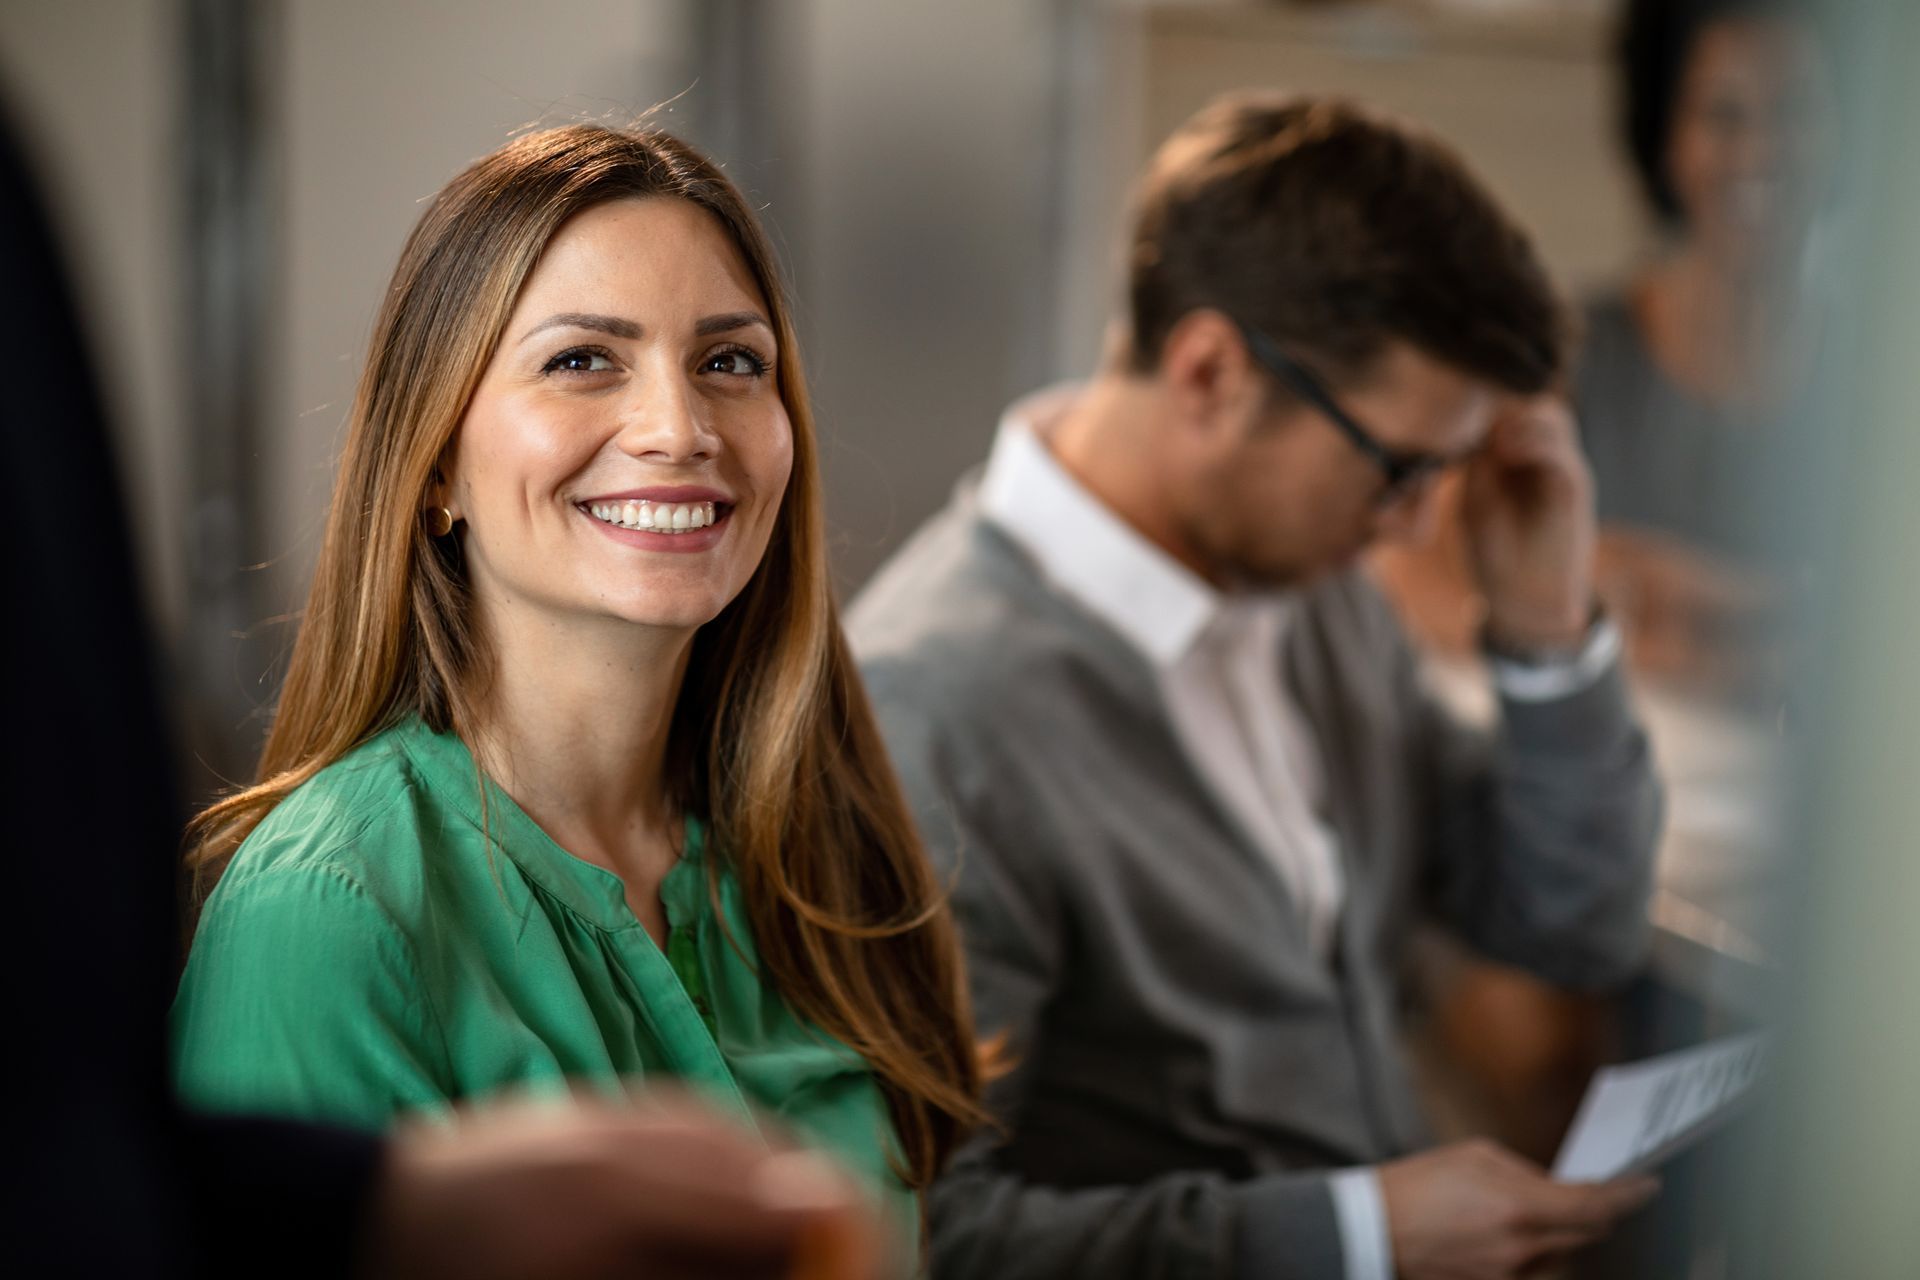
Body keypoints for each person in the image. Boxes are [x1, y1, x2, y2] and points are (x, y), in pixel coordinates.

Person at [3, 96, 882, 1280]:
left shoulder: (812, 851)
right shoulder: (329, 907)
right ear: (435, 470)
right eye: (581, 360)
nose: (679, 428)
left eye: (731, 361)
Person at [848, 95, 1664, 1280]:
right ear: (1211, 372)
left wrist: (1545, 629)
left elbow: (1572, 922)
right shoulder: (935, 717)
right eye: (1399, 467)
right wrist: (1359, 1236)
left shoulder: (1308, 591)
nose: (1419, 525)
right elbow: (932, 1238)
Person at [1579, 0, 1835, 690]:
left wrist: (1651, 591)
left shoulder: (1886, 373)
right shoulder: (1575, 357)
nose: (1761, 152)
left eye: (1793, 113)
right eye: (1724, 116)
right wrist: (1789, 615)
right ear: (1666, 135)